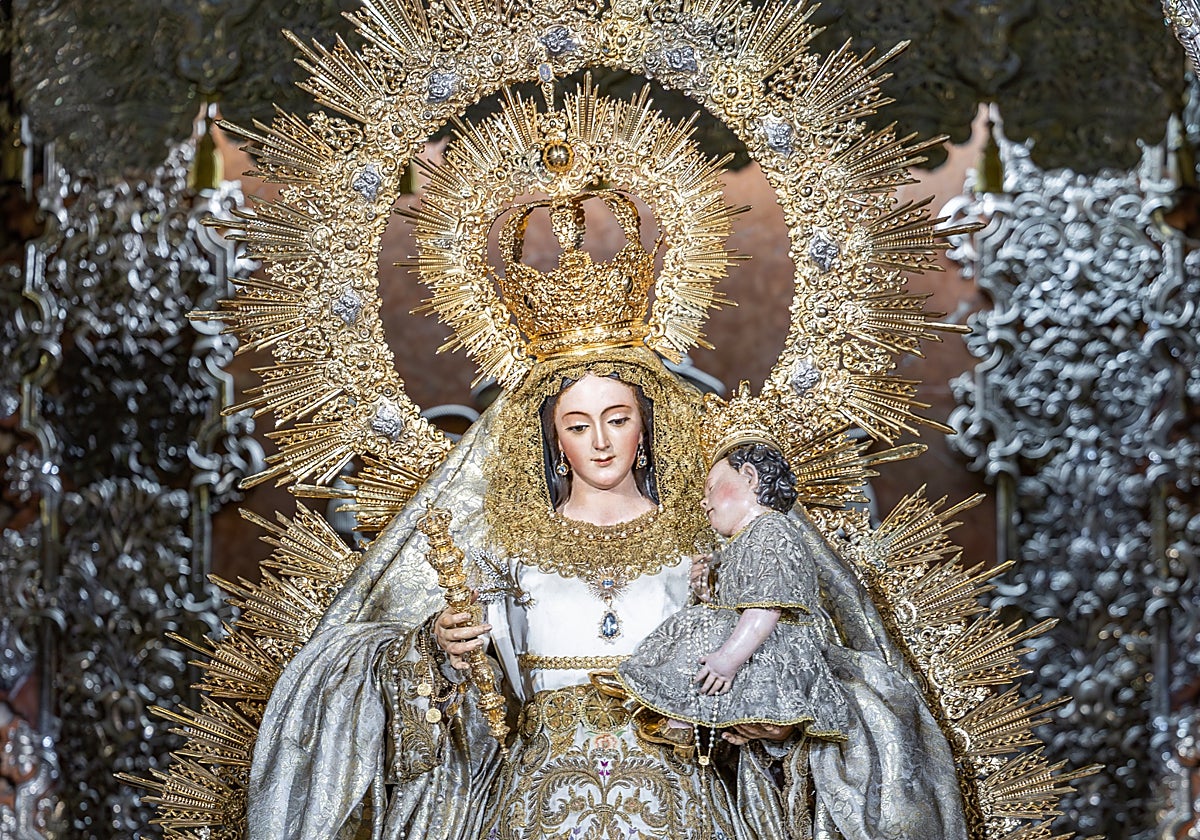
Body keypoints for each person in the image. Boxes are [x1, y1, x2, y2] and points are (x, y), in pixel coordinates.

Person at [246, 192, 968, 840]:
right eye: (578, 423)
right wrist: (436, 650)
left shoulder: (706, 537)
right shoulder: (500, 543)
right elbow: (467, 707)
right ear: (550, 436)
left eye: (618, 419)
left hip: (683, 802)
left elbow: (782, 657)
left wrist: (758, 706)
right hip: (534, 805)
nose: (599, 441)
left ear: (646, 426)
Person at [616, 442, 852, 757]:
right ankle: (684, 711)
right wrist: (705, 593)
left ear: (750, 477)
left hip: (776, 656)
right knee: (701, 620)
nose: (704, 501)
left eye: (711, 487)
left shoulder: (771, 532)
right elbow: (739, 604)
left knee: (699, 625)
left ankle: (676, 709)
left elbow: (765, 607)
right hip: (759, 652)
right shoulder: (747, 539)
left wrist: (727, 662)